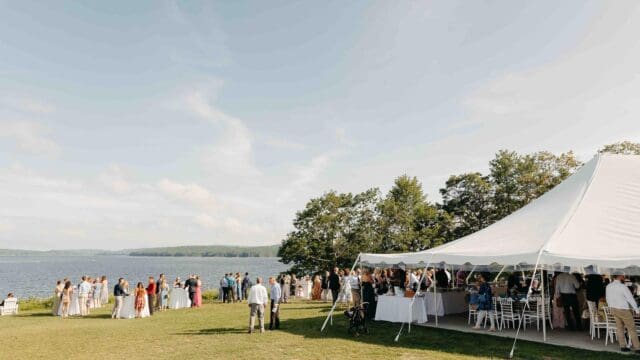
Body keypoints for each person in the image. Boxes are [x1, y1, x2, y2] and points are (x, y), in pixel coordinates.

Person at [606, 272, 640, 353]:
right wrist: (637, 310)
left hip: (613, 309)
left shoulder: (608, 286)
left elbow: (607, 298)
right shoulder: (622, 286)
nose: (624, 276)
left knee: (619, 328)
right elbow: (630, 299)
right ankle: (637, 348)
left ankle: (623, 346)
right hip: (623, 310)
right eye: (623, 275)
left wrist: (611, 306)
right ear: (620, 276)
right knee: (631, 328)